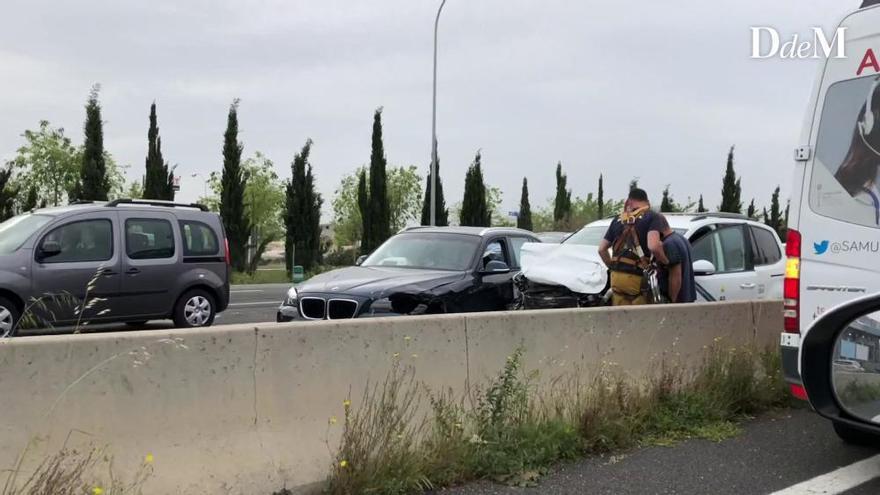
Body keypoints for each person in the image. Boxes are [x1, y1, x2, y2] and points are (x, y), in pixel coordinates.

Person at [598, 188, 666, 305]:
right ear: (647, 202)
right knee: (640, 319)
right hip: (637, 278)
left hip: (616, 278)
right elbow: (654, 246)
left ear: (629, 201)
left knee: (620, 318)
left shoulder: (618, 219)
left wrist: (613, 266)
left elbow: (601, 249)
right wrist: (665, 261)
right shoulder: (653, 217)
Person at [655, 215, 696, 303]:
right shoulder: (681, 238)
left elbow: (675, 277)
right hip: (686, 300)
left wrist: (671, 302)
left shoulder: (669, 244)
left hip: (677, 303)